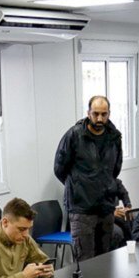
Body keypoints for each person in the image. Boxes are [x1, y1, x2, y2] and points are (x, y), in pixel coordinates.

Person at [54, 95, 123, 260]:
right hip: (81, 209)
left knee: (106, 258)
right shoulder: (74, 135)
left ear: (109, 114)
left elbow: (115, 169)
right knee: (85, 261)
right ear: (88, 113)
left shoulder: (114, 137)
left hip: (106, 207)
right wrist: (78, 185)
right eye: (95, 113)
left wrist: (105, 185)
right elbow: (59, 168)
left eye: (104, 114)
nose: (99, 118)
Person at [112, 178, 133, 248]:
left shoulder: (114, 179)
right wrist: (111, 211)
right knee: (119, 231)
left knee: (131, 220)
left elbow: (124, 193)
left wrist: (128, 207)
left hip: (113, 210)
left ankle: (131, 247)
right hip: (100, 215)